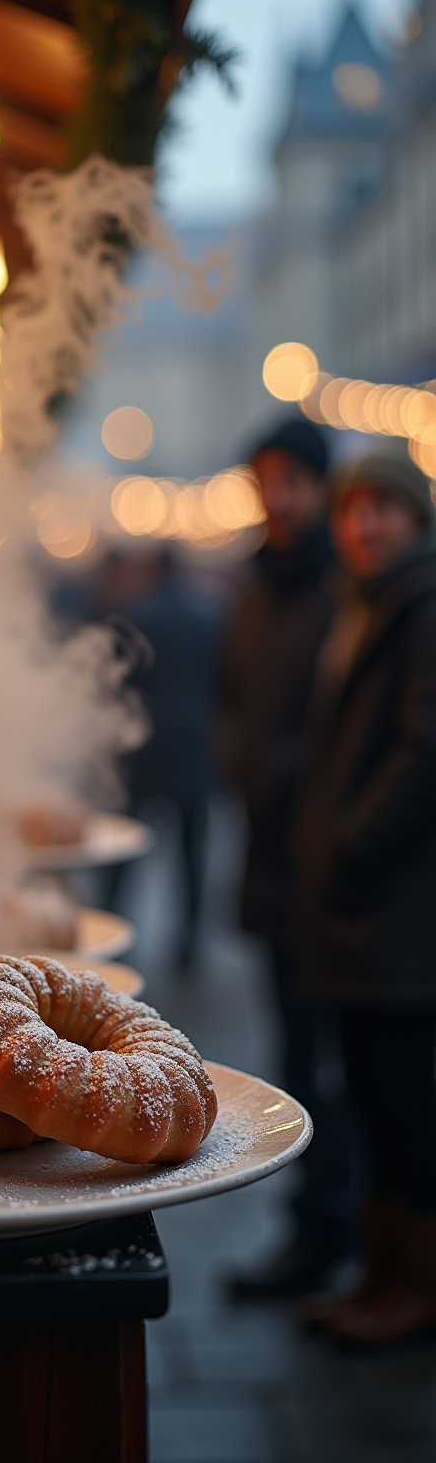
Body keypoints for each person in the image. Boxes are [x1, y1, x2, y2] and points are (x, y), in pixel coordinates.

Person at [295, 447, 436, 1345]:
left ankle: (417, 1289)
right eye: (353, 509)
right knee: (371, 1099)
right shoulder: (367, 604)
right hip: (358, 916)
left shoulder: (423, 608)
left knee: (408, 1102)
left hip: (400, 913)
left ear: (416, 519)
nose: (364, 523)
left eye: (383, 508)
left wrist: (351, 844)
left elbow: (426, 752)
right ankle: (380, 1274)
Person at [219, 418, 360, 1296]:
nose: (277, 498)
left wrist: (284, 773)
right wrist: (239, 763)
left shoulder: (347, 593)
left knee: (342, 1064)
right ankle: (319, 1228)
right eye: (265, 480)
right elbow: (231, 702)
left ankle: (339, 1231)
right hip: (274, 862)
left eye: (293, 482)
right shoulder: (251, 590)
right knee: (296, 1053)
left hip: (336, 870)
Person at [115, 549, 219, 968]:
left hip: (146, 752)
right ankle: (189, 943)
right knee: (191, 858)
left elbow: (121, 688)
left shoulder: (138, 616)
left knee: (126, 857)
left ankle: (119, 933)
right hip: (195, 751)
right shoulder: (207, 618)